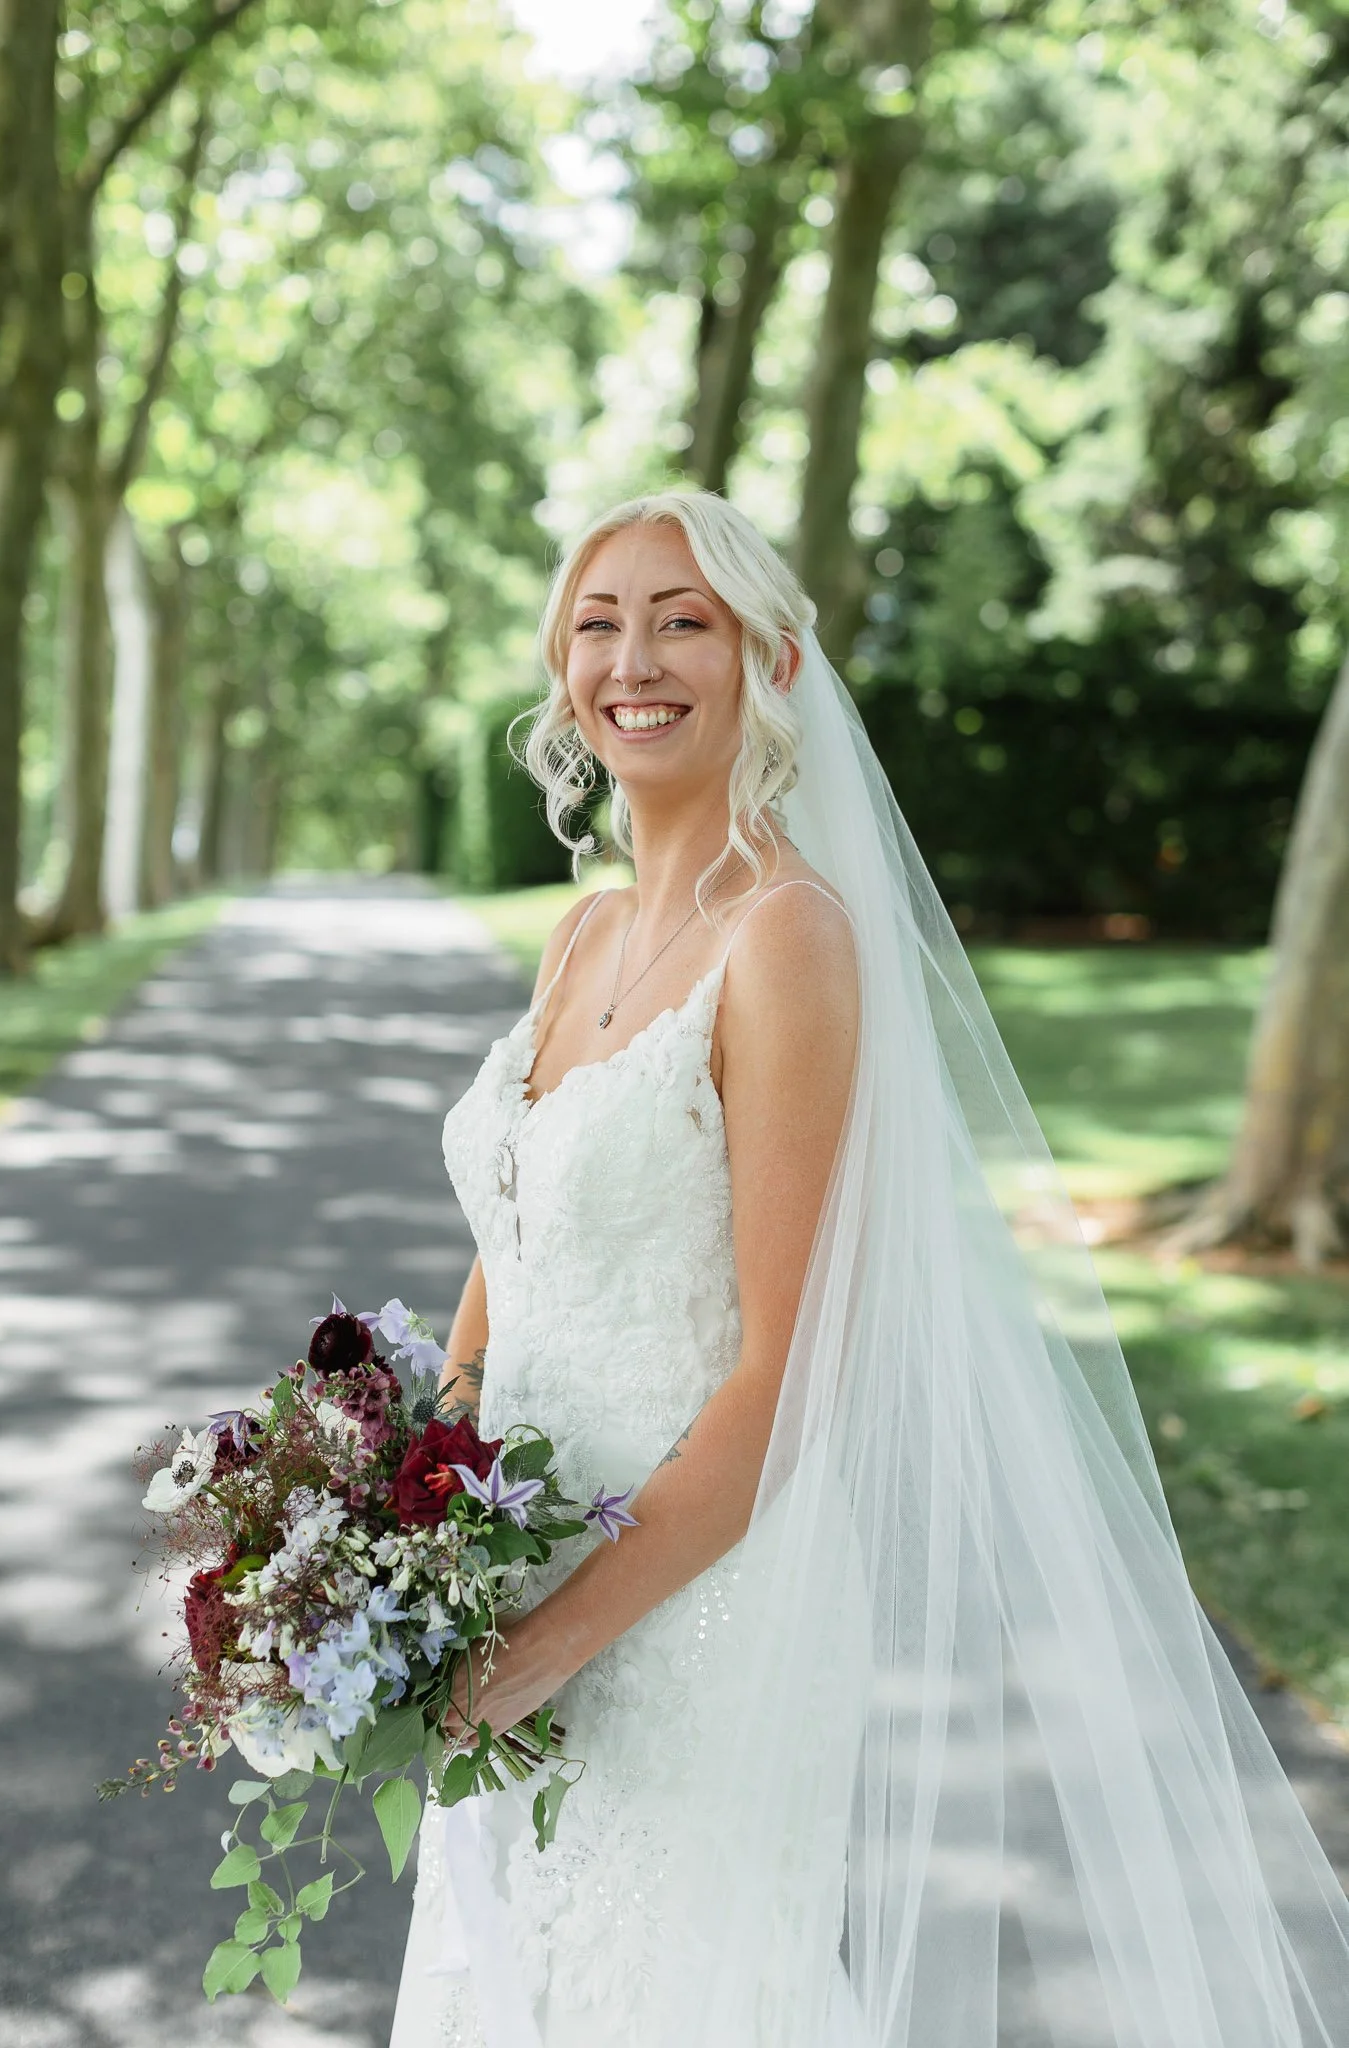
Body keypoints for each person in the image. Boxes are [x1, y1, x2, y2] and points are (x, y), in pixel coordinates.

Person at [389, 491, 1349, 2048]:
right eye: (597, 622)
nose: (632, 658)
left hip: (699, 1607)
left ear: (767, 657)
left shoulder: (788, 938)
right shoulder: (582, 937)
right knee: (510, 1981)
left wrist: (547, 1642)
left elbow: (789, 1371)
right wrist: (422, 1524)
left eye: (680, 619)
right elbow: (510, 1251)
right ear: (561, 666)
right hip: (503, 1583)